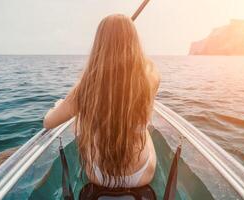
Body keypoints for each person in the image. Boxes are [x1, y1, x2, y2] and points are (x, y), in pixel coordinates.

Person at [43, 14, 160, 188]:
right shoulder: (150, 77)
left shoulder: (86, 85)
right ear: (134, 41)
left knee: (80, 123)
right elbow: (143, 67)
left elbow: (48, 122)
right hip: (142, 173)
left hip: (99, 175)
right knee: (145, 129)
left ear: (99, 44)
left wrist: (61, 106)